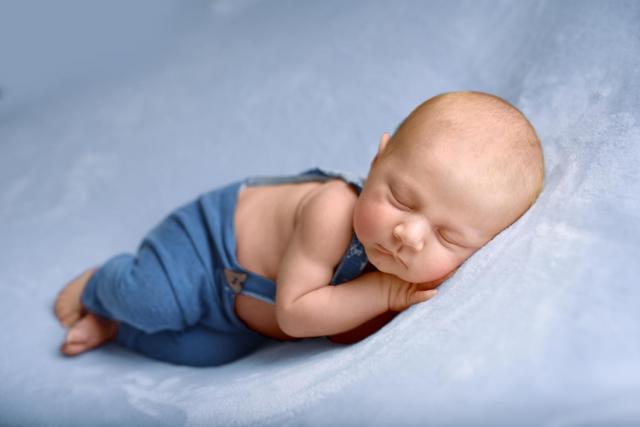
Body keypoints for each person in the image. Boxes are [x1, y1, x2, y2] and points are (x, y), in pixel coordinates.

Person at [54, 91, 544, 367]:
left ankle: (114, 326)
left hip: (237, 311)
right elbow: (294, 314)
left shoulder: (414, 264)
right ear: (377, 160)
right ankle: (103, 283)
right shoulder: (332, 210)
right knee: (155, 300)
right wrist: (387, 295)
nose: (408, 236)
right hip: (204, 246)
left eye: (447, 237)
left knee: (204, 352)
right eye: (400, 200)